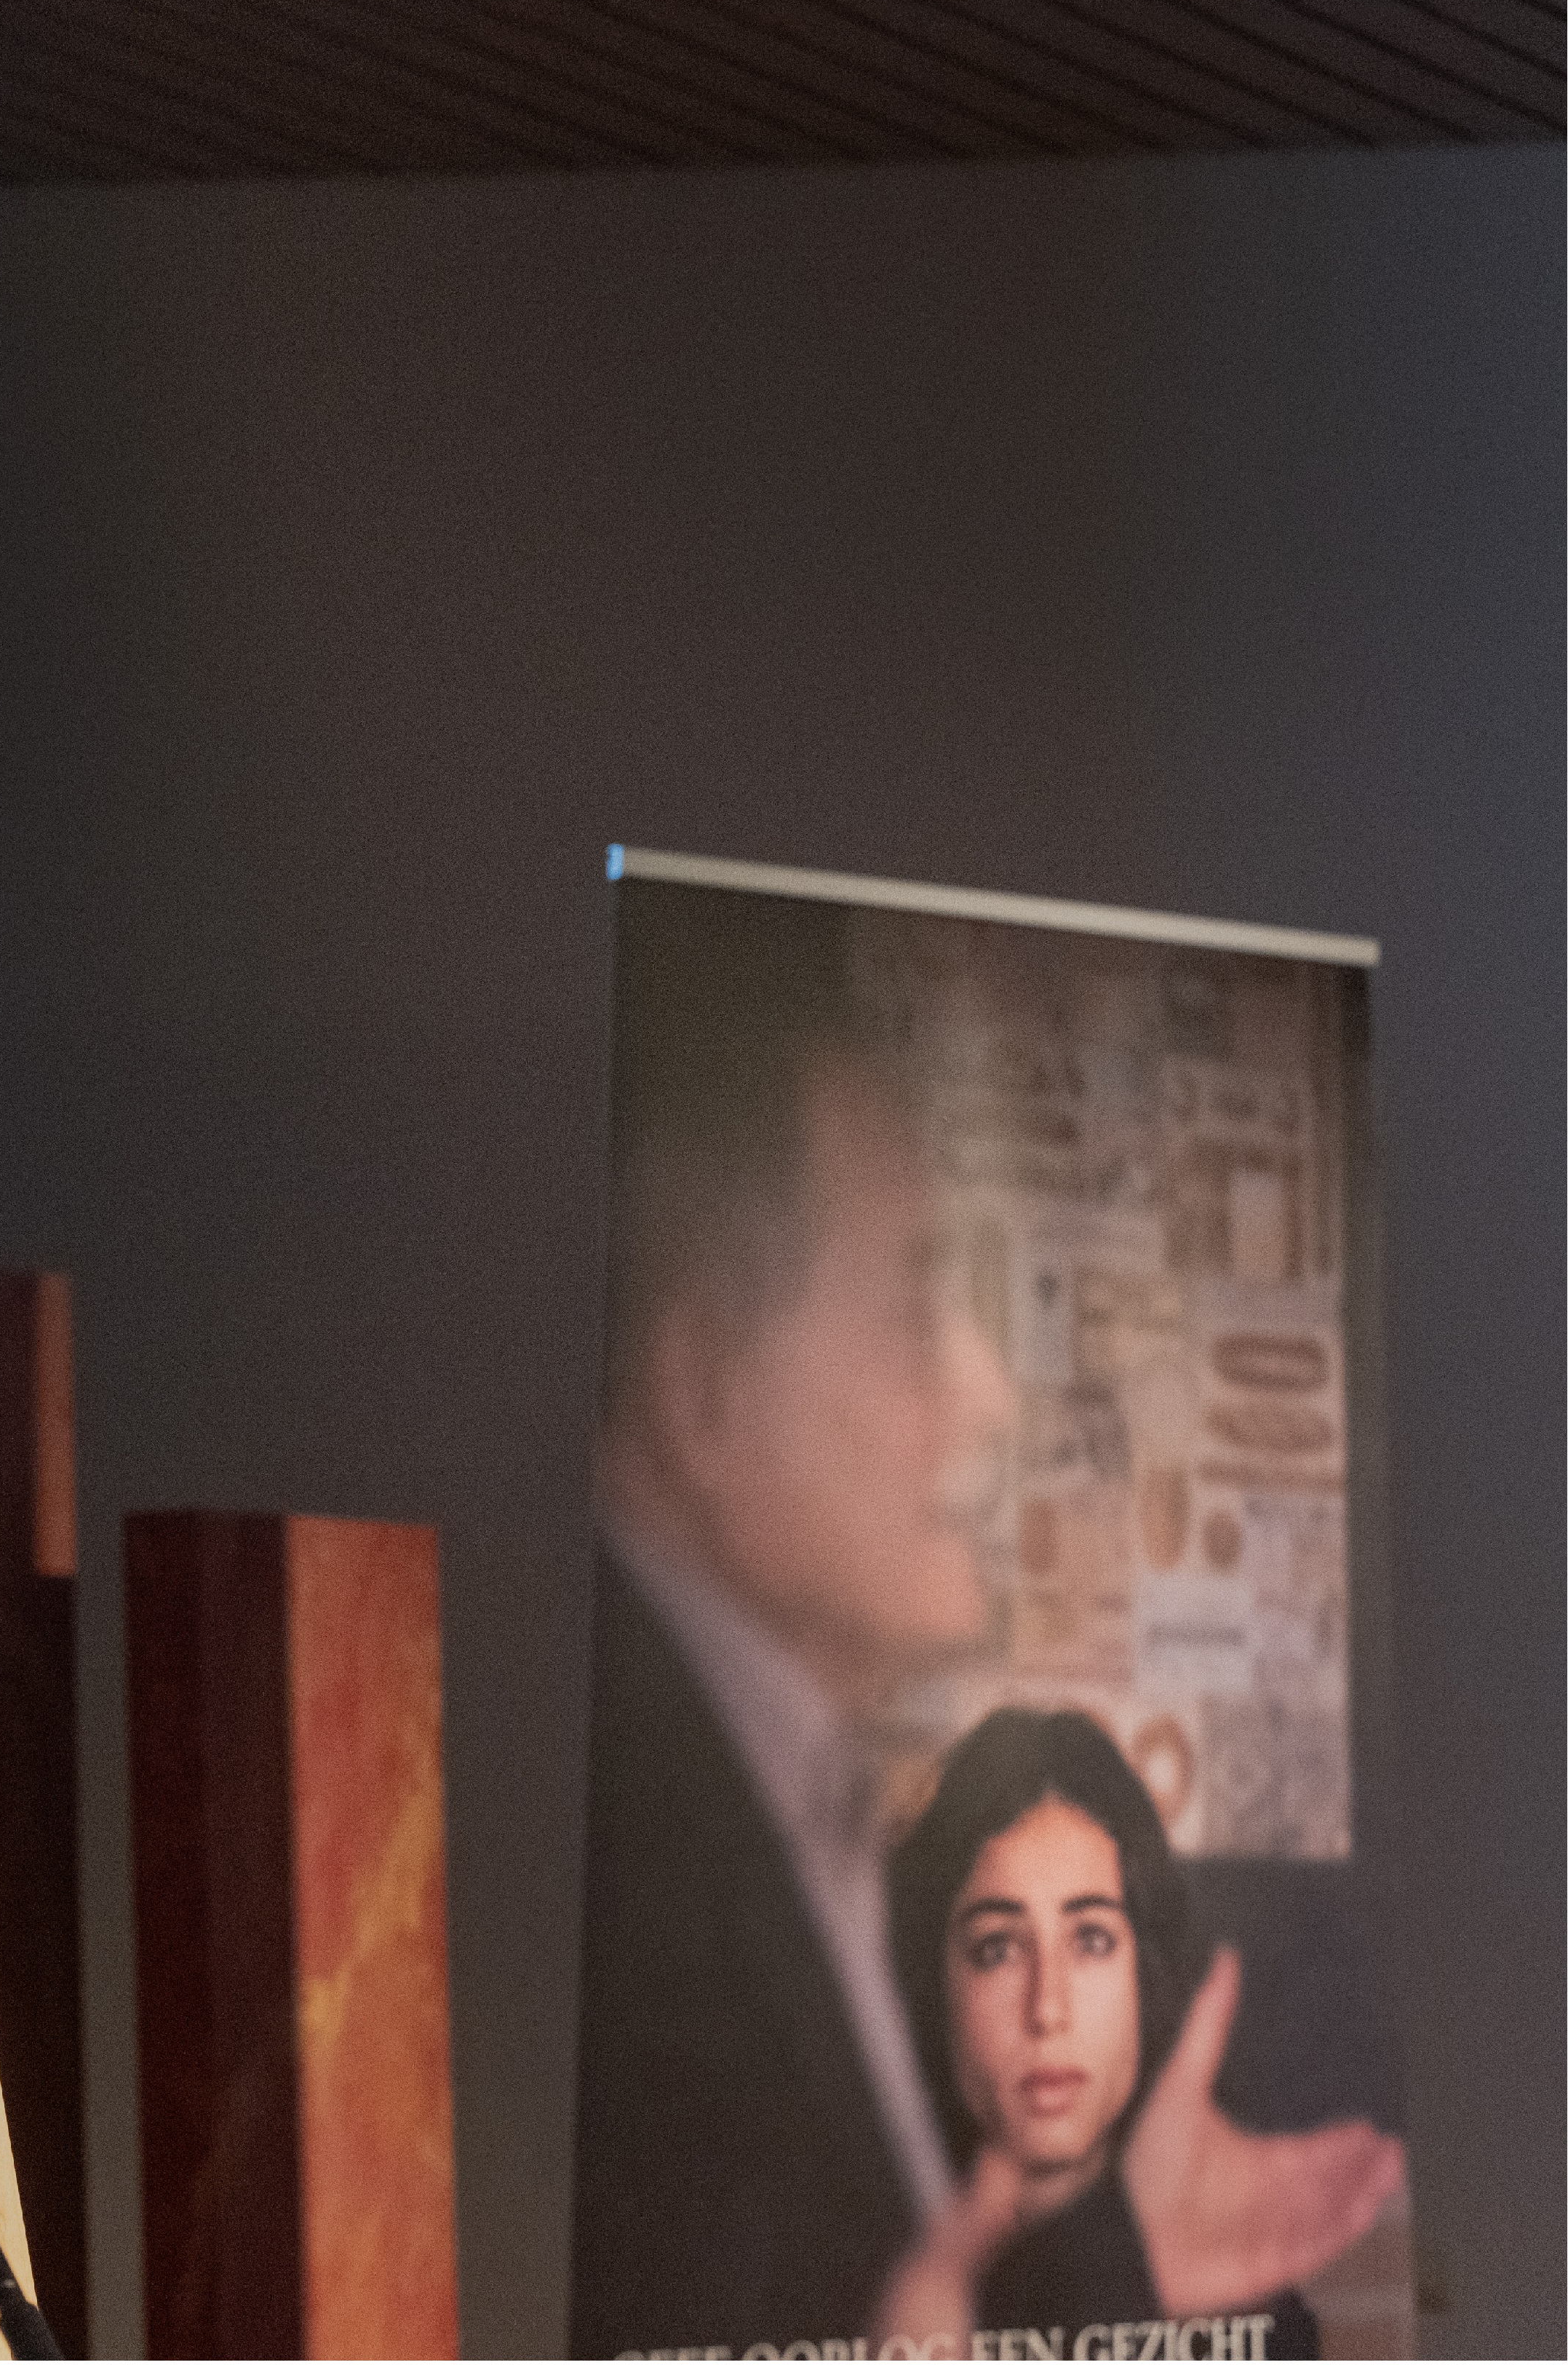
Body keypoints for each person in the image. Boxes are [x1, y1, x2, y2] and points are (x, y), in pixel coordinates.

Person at [570, 884, 1397, 2357]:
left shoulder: (776, 1812)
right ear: (698, 1384)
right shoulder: (637, 1880)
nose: (988, 1397)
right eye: (908, 1308)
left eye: (1089, 1937)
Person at [876, 1709, 1376, 2356]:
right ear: (935, 1980)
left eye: (1091, 1940)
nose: (1047, 2008)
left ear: (1146, 1973)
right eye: (998, 1948)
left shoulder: (1250, 2313)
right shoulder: (863, 2285)